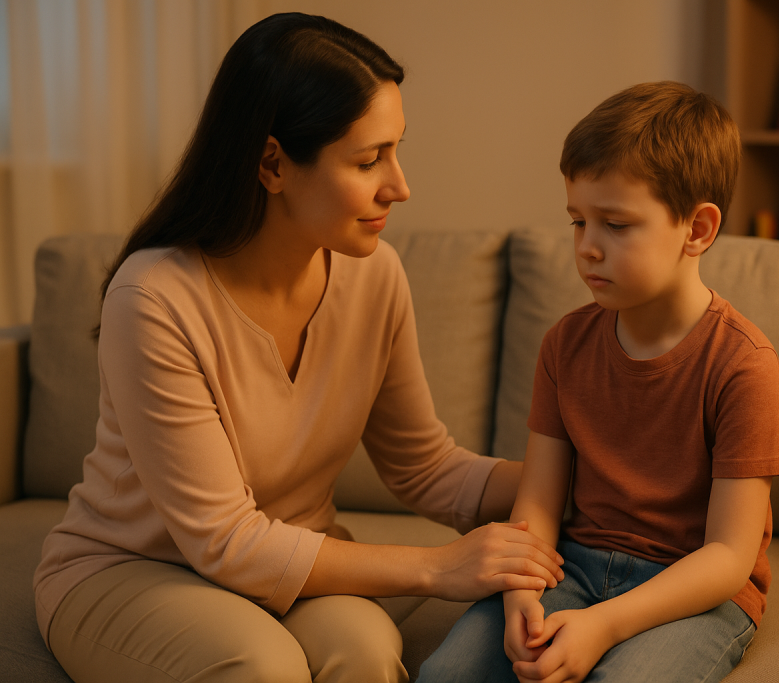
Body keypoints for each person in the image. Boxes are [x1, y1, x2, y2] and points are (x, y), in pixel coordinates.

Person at [33, 13, 564, 683]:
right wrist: (437, 567)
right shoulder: (154, 299)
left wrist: (576, 473)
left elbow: (425, 467)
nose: (400, 186)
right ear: (273, 163)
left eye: (396, 151)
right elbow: (225, 540)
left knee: (364, 652)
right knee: (263, 666)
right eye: (368, 160)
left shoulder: (374, 274)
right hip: (133, 569)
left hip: (293, 560)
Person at [419, 82, 779, 683]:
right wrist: (521, 594)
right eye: (578, 221)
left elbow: (728, 557)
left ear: (697, 229)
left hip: (693, 589)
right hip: (573, 566)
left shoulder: (743, 364)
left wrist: (605, 625)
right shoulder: (564, 346)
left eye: (616, 225)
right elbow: (538, 503)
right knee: (446, 675)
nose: (588, 248)